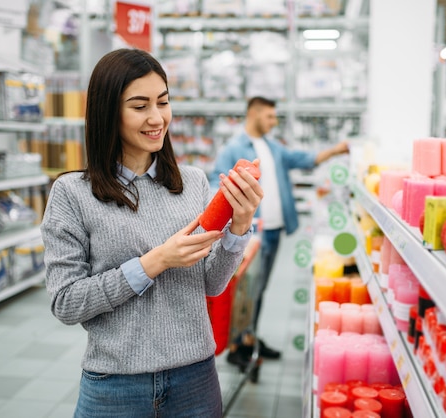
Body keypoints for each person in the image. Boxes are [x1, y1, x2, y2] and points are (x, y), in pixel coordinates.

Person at [40, 48, 263, 418]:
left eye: (163, 102)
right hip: (115, 385)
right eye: (139, 106)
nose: (157, 117)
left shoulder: (191, 183)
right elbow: (66, 302)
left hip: (195, 379)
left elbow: (212, 283)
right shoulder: (72, 194)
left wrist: (239, 226)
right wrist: (155, 261)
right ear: (108, 111)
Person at [211, 96, 350, 366]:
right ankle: (240, 344)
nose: (274, 122)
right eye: (270, 116)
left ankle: (250, 337)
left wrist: (336, 150)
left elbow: (304, 158)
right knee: (246, 289)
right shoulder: (234, 148)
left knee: (259, 289)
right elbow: (218, 187)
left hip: (272, 230)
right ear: (254, 114)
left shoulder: (272, 147)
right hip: (250, 234)